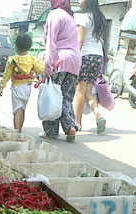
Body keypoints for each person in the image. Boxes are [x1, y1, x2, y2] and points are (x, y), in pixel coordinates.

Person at [40, 0, 81, 141]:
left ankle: (54, 131)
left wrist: (48, 66)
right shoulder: (70, 17)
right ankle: (71, 126)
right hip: (75, 61)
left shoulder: (55, 14)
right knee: (67, 96)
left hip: (60, 59)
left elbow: (51, 42)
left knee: (54, 96)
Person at [0, 34, 45, 133]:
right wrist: (45, 64)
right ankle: (20, 129)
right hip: (27, 88)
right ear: (29, 47)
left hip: (16, 87)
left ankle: (17, 131)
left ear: (16, 46)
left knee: (17, 110)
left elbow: (6, 75)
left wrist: (1, 87)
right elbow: (40, 70)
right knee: (22, 109)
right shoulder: (32, 59)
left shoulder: (12, 60)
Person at [74, 0, 107, 134]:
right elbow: (101, 39)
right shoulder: (101, 18)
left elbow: (80, 41)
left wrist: (75, 56)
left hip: (86, 56)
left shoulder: (83, 17)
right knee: (88, 91)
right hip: (98, 56)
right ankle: (99, 116)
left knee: (80, 91)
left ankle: (77, 122)